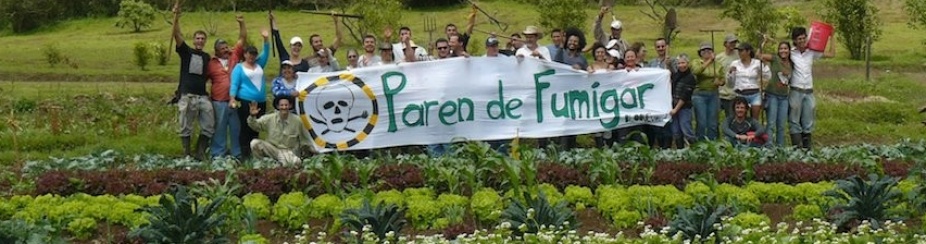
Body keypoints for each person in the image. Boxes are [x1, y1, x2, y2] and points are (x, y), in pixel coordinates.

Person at [171, 1, 214, 160]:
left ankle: (200, 152)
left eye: (202, 38)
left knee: (209, 124)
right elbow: (177, 35)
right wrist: (176, 17)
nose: (200, 41)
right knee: (185, 126)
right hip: (187, 95)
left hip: (202, 95)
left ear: (205, 41)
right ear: (194, 40)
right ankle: (186, 153)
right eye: (198, 38)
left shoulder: (207, 57)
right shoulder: (186, 52)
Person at [206, 14, 247, 159]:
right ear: (216, 51)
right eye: (222, 48)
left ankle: (237, 154)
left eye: (226, 47)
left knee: (236, 128)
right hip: (218, 101)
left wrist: (241, 23)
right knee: (219, 128)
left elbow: (242, 38)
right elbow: (203, 79)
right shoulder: (211, 63)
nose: (225, 50)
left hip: (234, 100)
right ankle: (218, 154)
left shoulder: (234, 56)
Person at [789, 26, 836, 149]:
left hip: (809, 90)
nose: (802, 41)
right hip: (796, 89)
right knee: (794, 119)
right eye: (799, 39)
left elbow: (831, 54)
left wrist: (832, 37)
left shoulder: (811, 52)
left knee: (808, 119)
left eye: (804, 38)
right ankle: (796, 148)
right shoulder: (791, 53)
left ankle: (807, 148)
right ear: (794, 40)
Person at [230, 30, 271, 159]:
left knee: (256, 127)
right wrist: (232, 98)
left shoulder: (259, 65)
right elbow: (234, 84)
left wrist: (266, 39)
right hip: (245, 101)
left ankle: (255, 153)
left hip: (261, 101)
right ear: (245, 54)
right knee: (245, 127)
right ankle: (244, 155)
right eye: (249, 54)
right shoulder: (239, 67)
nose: (252, 57)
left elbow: (266, 53)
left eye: (254, 54)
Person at [247, 97, 314, 165]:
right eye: (281, 105)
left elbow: (304, 140)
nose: (284, 107)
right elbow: (255, 125)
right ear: (277, 106)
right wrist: (252, 116)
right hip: (272, 149)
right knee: (254, 143)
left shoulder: (298, 121)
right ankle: (263, 164)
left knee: (296, 162)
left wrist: (308, 153)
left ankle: (278, 165)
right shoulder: (269, 118)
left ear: (290, 106)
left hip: (287, 152)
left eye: (286, 105)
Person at [726, 43, 770, 121]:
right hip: (740, 94)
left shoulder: (757, 63)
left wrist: (764, 64)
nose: (739, 53)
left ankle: (754, 129)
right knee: (741, 119)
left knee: (755, 119)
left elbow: (768, 76)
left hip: (754, 94)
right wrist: (730, 73)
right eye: (738, 51)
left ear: (748, 51)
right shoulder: (734, 64)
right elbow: (730, 84)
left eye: (741, 51)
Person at [761, 41, 793, 146]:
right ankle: (769, 147)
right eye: (781, 49)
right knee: (771, 123)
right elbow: (759, 55)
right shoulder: (775, 59)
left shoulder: (791, 63)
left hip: (784, 97)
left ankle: (780, 147)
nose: (783, 51)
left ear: (789, 50)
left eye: (785, 48)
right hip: (772, 95)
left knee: (781, 125)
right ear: (778, 51)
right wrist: (764, 43)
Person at [691, 42, 724, 141]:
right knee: (702, 122)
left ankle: (712, 143)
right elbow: (696, 71)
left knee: (712, 123)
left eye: (709, 50)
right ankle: (700, 143)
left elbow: (723, 78)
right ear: (700, 52)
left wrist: (720, 82)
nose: (706, 52)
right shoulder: (696, 62)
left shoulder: (718, 65)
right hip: (699, 95)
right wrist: (709, 61)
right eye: (704, 50)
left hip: (713, 94)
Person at [670, 54, 697, 148]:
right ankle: (680, 151)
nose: (681, 65)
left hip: (684, 108)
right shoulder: (675, 76)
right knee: (676, 131)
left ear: (688, 63)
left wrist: (676, 109)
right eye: (679, 63)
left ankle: (695, 149)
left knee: (686, 130)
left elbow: (685, 96)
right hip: (673, 107)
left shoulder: (691, 78)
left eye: (683, 63)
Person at [716, 34, 740, 119]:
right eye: (731, 42)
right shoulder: (719, 57)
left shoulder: (739, 55)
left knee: (731, 117)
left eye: (734, 42)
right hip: (720, 92)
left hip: (733, 92)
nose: (733, 44)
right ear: (725, 44)